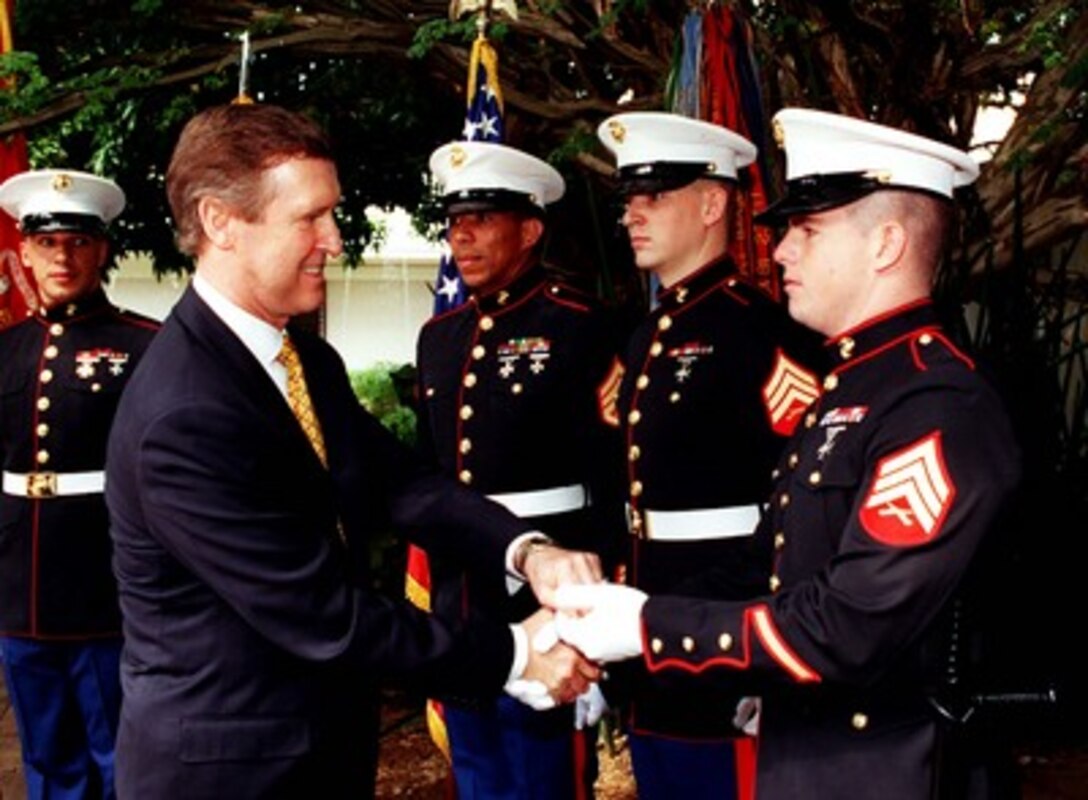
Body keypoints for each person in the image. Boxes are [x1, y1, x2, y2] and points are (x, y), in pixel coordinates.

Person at [104, 102, 602, 800]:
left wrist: (527, 551)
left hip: (317, 747)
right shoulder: (184, 412)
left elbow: (402, 483)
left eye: (331, 214)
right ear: (221, 222)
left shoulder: (302, 358)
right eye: (309, 217)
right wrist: (519, 654)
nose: (334, 240)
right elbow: (320, 612)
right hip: (229, 773)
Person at [556, 108, 1023, 799]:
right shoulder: (852, 385)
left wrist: (650, 625)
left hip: (896, 773)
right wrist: (622, 607)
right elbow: (777, 564)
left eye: (807, 228)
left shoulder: (938, 407)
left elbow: (850, 625)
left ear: (886, 243)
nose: (779, 252)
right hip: (814, 750)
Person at [590, 111, 824, 799]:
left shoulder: (761, 332)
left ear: (713, 202)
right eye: (629, 198)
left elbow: (800, 506)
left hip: (727, 639)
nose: (633, 213)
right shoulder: (645, 336)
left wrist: (766, 663)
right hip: (651, 621)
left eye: (654, 195)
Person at [416, 140, 627, 798]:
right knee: (477, 774)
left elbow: (615, 482)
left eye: (481, 218)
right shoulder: (441, 336)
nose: (462, 235)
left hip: (550, 603)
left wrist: (595, 620)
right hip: (463, 601)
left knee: (544, 781)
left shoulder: (582, 325)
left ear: (530, 229)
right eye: (454, 221)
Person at [0, 169, 160, 799]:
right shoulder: (5, 348)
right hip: (18, 586)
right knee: (46, 757)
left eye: (77, 242)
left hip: (105, 580)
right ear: (25, 253)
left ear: (102, 250)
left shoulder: (146, 345)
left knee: (117, 754)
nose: (62, 257)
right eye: (47, 243)